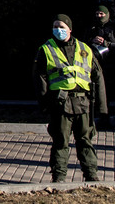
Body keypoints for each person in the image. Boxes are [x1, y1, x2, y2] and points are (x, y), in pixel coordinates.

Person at [34, 14, 107, 183]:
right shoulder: (46, 49)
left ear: (70, 29)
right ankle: (59, 177)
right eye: (55, 27)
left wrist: (102, 108)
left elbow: (98, 76)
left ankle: (91, 175)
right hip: (60, 103)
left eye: (61, 27)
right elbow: (39, 78)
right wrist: (45, 103)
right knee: (61, 141)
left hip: (83, 102)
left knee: (86, 141)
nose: (57, 30)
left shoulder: (85, 49)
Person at [87, 6, 115, 121]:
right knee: (100, 92)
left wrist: (106, 43)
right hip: (97, 65)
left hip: (112, 65)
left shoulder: (113, 28)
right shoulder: (92, 28)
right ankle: (102, 117)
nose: (99, 16)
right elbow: (83, 44)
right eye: (97, 14)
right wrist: (91, 41)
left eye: (101, 14)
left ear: (107, 14)